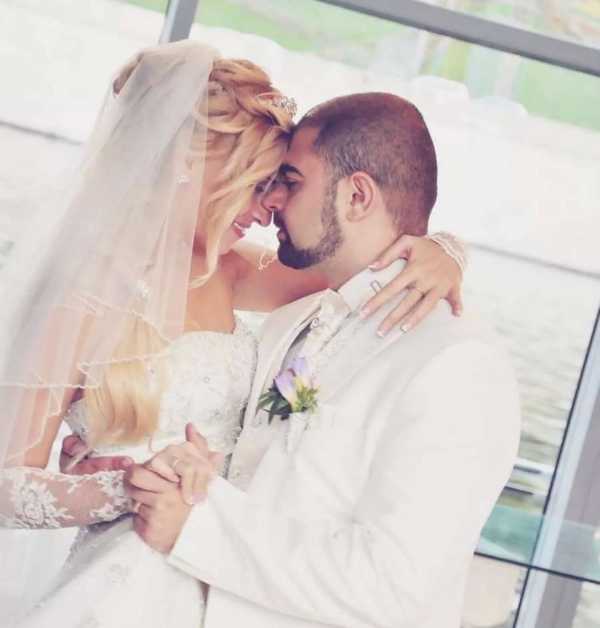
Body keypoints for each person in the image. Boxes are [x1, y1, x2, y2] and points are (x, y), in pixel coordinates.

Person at [0, 42, 464, 626]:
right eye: (259, 183)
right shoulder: (80, 294)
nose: (271, 208)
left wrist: (446, 250)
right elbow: (8, 488)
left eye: (280, 185)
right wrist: (126, 489)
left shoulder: (237, 270)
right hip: (125, 576)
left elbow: (362, 262)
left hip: (232, 582)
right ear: (190, 167)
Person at [121, 93, 521, 628]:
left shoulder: (457, 362)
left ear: (357, 196)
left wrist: (198, 529)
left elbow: (394, 587)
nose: (273, 201)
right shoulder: (293, 320)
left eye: (291, 181)